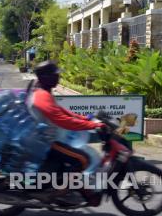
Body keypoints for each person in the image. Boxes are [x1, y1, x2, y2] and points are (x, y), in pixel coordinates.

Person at [28, 61, 106, 205]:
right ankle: (60, 193)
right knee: (83, 159)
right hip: (47, 142)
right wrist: (92, 125)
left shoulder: (42, 92)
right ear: (45, 77)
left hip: (45, 139)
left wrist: (86, 118)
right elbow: (62, 120)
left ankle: (69, 188)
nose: (58, 78)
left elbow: (62, 111)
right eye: (55, 75)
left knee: (74, 157)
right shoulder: (42, 96)